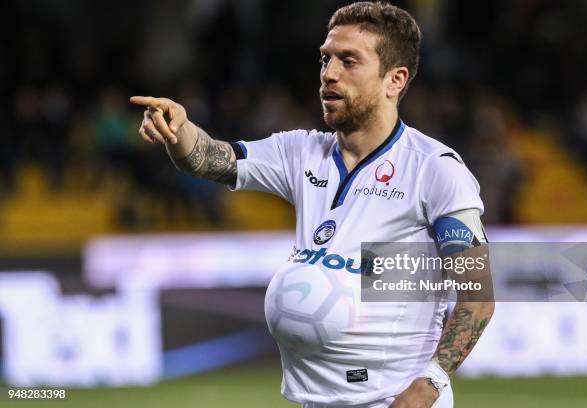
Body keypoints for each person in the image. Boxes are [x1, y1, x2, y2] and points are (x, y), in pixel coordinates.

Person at [130, 2, 494, 407]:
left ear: (395, 80)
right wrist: (179, 131)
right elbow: (212, 159)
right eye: (326, 59)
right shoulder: (300, 152)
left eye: (348, 61)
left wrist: (430, 384)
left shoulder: (435, 170)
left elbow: (477, 295)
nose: (328, 74)